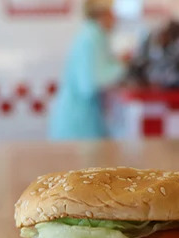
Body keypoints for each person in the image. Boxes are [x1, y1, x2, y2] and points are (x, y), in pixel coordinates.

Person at [48, 0, 125, 140]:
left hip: (80, 119)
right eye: (112, 13)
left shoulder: (92, 34)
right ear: (103, 14)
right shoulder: (92, 36)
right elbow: (90, 82)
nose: (116, 18)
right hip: (77, 123)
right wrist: (124, 66)